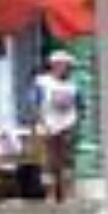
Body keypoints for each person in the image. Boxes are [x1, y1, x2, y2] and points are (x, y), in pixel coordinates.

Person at [32, 51, 80, 205]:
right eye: (65, 65)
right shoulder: (42, 82)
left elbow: (79, 105)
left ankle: (68, 194)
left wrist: (76, 123)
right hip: (47, 124)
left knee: (67, 161)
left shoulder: (73, 85)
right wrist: (41, 123)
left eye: (69, 66)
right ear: (55, 65)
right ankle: (50, 194)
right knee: (48, 162)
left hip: (68, 124)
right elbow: (35, 104)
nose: (67, 69)